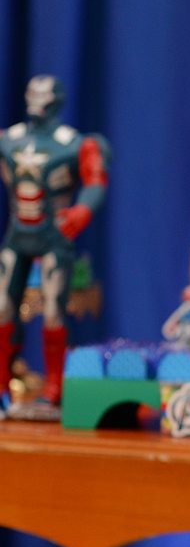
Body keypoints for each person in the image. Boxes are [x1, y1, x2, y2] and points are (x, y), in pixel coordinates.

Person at [0, 75, 109, 413]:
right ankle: (2, 385)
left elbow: (95, 181)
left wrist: (81, 211)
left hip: (54, 236)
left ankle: (55, 389)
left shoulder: (74, 144)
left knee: (52, 312)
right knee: (2, 307)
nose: (37, 104)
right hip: (17, 234)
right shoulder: (9, 140)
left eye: (43, 97)